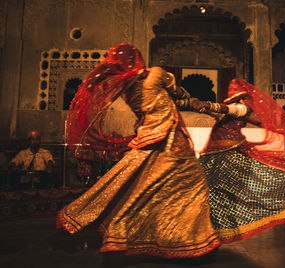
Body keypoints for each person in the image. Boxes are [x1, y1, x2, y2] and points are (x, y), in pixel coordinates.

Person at [56, 43, 221, 258]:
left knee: (137, 184)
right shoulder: (158, 74)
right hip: (171, 138)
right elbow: (178, 94)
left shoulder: (125, 88)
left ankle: (120, 232)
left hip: (147, 137)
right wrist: (196, 101)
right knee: (191, 183)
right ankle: (188, 240)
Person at [189, 79, 285, 243]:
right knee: (209, 191)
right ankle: (209, 229)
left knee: (221, 190)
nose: (231, 91)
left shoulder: (242, 108)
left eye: (234, 90)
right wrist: (195, 105)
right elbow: (219, 111)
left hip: (227, 155)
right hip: (215, 154)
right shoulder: (231, 109)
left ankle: (214, 230)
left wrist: (207, 105)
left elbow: (228, 110)